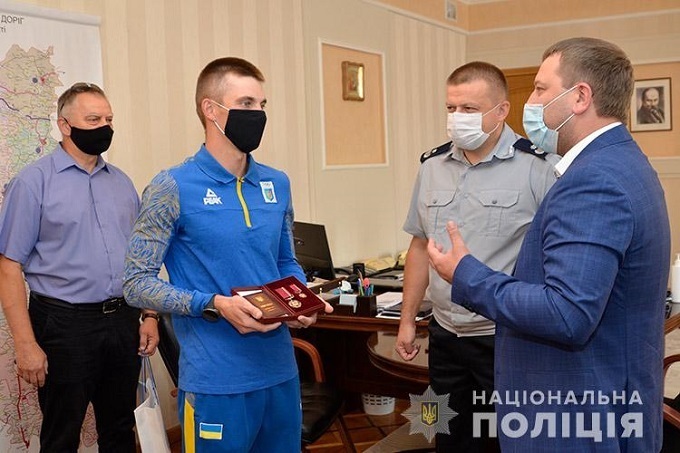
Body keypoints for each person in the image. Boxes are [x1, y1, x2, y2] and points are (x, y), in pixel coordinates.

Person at [428, 37, 670, 451]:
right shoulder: (620, 160)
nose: (532, 101)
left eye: (541, 88)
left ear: (580, 97)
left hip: (578, 415)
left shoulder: (594, 179)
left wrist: (465, 273)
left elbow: (565, 313)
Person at [123, 57, 332, 452]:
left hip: (280, 373)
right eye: (246, 103)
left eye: (262, 105)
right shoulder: (171, 187)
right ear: (211, 109)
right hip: (216, 381)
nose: (258, 115)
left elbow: (285, 260)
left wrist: (300, 299)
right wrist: (215, 304)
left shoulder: (277, 183)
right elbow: (136, 284)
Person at [395, 61, 558, 452]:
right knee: (446, 436)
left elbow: (555, 254)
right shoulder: (432, 166)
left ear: (502, 111)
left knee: (509, 440)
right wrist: (407, 320)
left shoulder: (539, 167)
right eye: (451, 108)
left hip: (504, 336)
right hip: (444, 334)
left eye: (469, 109)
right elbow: (420, 245)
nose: (457, 118)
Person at [0, 82, 160, 452]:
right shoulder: (33, 183)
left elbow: (141, 258)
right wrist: (25, 344)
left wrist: (150, 314)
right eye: (93, 119)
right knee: (62, 434)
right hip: (64, 325)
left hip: (122, 321)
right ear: (65, 125)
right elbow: (9, 266)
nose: (104, 126)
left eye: (108, 119)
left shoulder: (121, 183)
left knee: (120, 429)